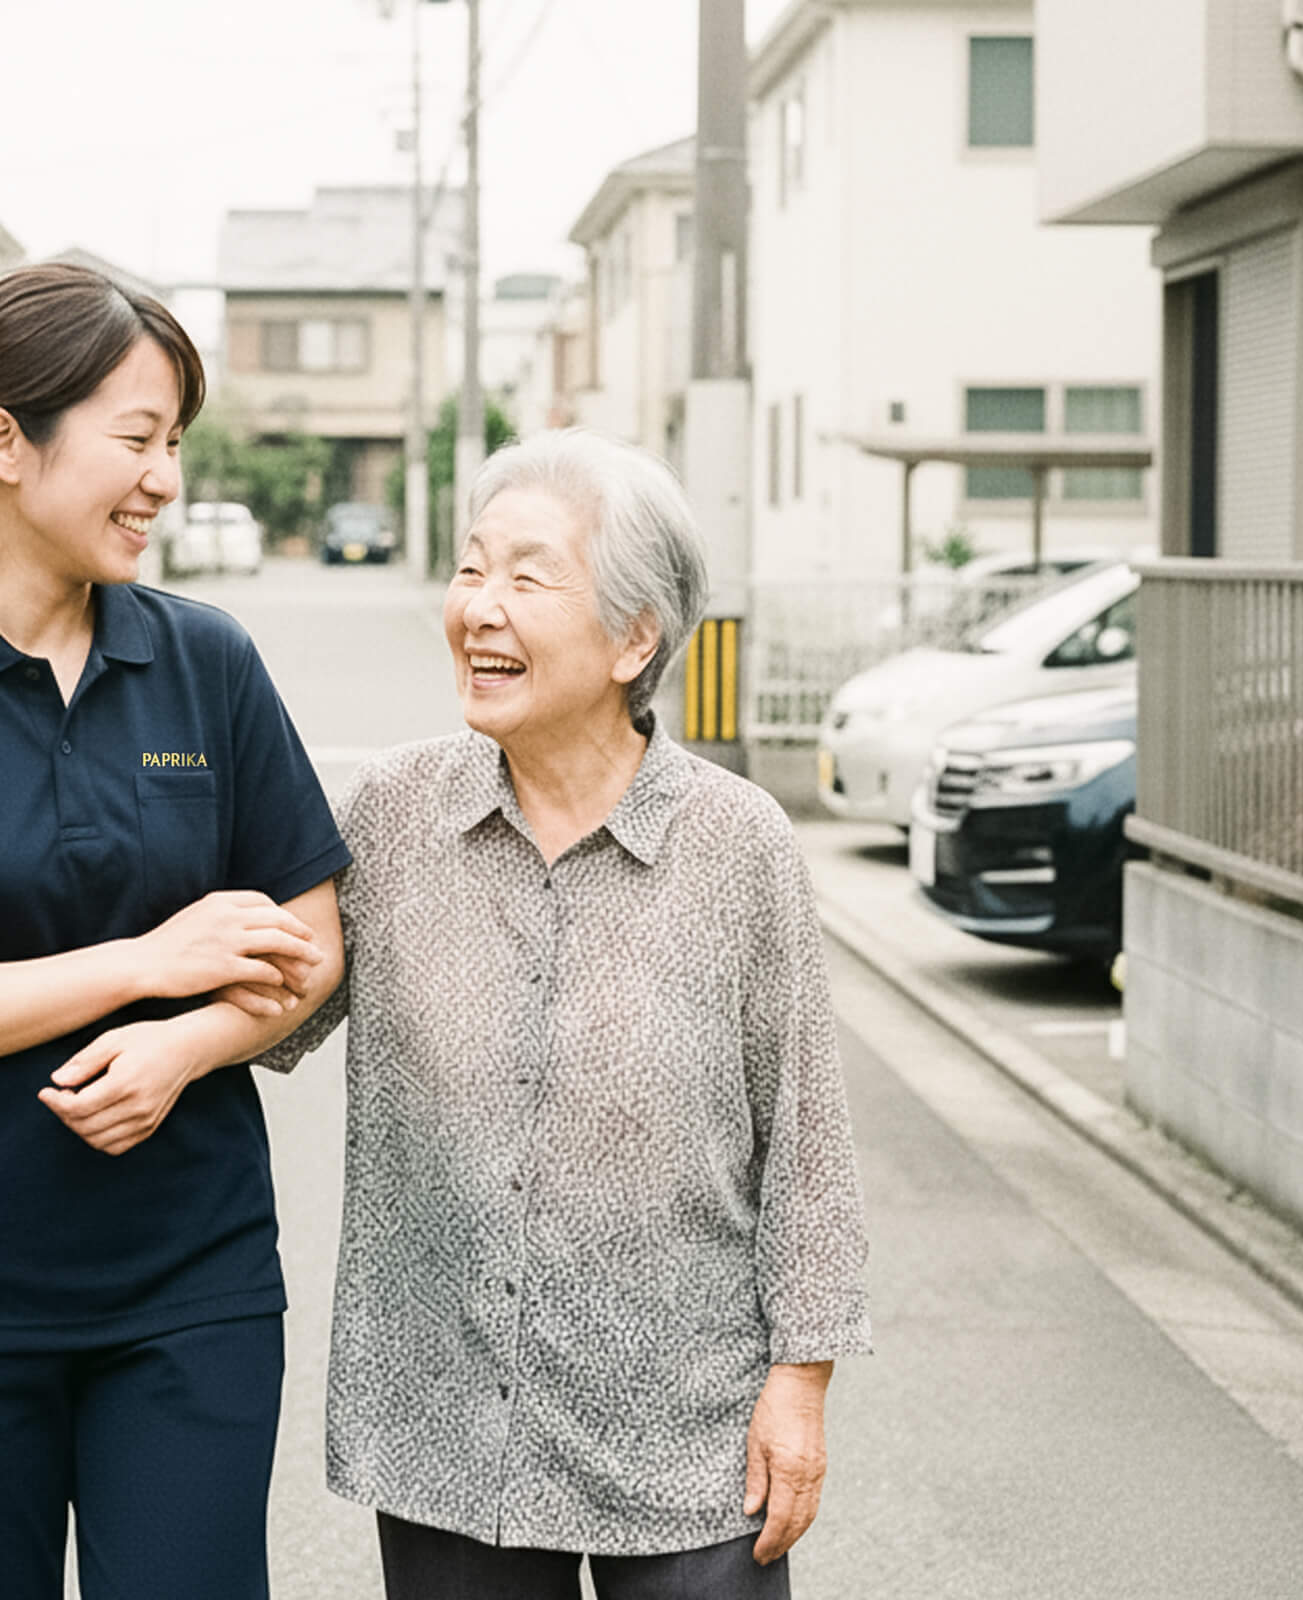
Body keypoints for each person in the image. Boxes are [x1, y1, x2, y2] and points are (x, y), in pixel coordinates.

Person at [0, 263, 351, 1600]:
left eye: (174, 446)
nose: (165, 478)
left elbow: (306, 945)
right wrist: (148, 966)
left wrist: (183, 1051)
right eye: (138, 440)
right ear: (7, 443)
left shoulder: (206, 663)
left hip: (189, 1288)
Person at [260, 428, 871, 1598]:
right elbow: (269, 1007)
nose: (479, 607)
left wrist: (801, 1383)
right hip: (450, 1427)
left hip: (690, 1431)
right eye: (470, 568)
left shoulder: (738, 846)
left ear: (635, 634)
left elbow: (806, 1136)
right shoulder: (392, 816)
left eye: (526, 578)